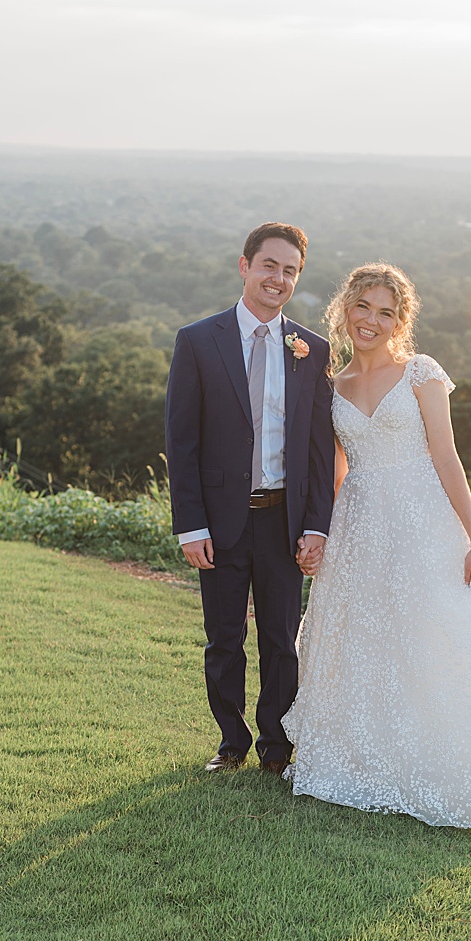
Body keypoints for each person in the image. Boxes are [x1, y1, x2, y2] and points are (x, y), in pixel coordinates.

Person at [280, 263, 471, 828]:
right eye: (363, 307)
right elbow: (337, 471)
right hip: (361, 525)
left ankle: (448, 771)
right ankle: (361, 765)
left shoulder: (420, 372)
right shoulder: (332, 386)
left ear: (400, 321)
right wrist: (323, 534)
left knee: (434, 639)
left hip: (425, 523)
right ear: (345, 308)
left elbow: (446, 454)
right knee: (365, 643)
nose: (371, 320)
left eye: (385, 312)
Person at [165, 222, 336, 775]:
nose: (278, 278)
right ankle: (231, 742)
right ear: (245, 266)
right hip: (219, 520)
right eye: (269, 266)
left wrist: (317, 526)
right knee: (224, 638)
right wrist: (191, 525)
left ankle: (277, 747)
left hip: (284, 519)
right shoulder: (197, 341)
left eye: (290, 271)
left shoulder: (312, 350)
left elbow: (317, 449)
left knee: (282, 642)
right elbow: (182, 439)